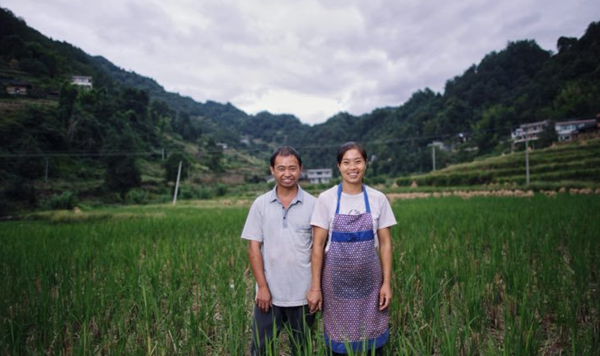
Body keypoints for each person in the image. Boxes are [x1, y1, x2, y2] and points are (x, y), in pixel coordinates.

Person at [307, 142, 396, 355]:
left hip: (371, 285)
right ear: (339, 166)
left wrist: (386, 283)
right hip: (335, 286)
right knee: (340, 344)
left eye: (358, 161)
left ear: (365, 163)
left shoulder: (378, 199)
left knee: (373, 343)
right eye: (346, 162)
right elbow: (318, 246)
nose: (352, 167)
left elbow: (385, 244)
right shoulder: (327, 199)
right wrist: (315, 288)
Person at [241, 146, 317, 356]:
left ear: (300, 169)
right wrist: (262, 288)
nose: (287, 174)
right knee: (261, 350)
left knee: (302, 350)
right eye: (281, 168)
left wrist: (316, 289)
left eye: (292, 168)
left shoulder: (314, 205)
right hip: (268, 296)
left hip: (303, 296)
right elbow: (254, 249)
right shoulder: (260, 204)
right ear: (272, 170)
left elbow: (319, 251)